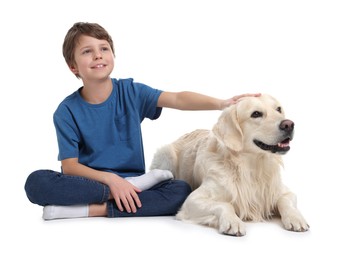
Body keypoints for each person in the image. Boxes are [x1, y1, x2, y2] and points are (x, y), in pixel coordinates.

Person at [24, 22, 260, 220]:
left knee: (180, 190)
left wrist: (221, 103)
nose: (98, 55)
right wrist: (111, 181)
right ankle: (110, 199)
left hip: (135, 181)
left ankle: (91, 210)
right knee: (36, 183)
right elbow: (70, 167)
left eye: (104, 48)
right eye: (87, 51)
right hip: (91, 182)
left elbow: (177, 98)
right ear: (73, 66)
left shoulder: (131, 92)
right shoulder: (66, 111)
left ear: (112, 55)